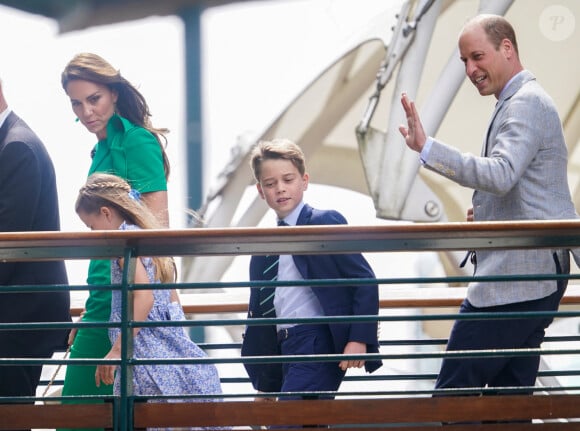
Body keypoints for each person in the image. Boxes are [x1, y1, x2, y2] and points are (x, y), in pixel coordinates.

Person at [398, 14, 576, 400]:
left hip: (516, 282)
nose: (470, 69)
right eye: (464, 61)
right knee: (508, 407)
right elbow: (529, 185)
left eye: (477, 56)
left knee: (451, 399)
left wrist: (427, 148)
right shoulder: (522, 100)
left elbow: (502, 173)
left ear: (507, 48)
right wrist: (490, 214)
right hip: (534, 277)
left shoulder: (525, 102)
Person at [60, 52, 171, 423]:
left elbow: (156, 228)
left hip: (128, 294)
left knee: (79, 412)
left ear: (114, 94)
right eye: (77, 103)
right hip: (100, 295)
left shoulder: (137, 142)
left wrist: (157, 301)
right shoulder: (99, 149)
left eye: (94, 99)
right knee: (87, 412)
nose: (86, 111)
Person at [75, 173, 226, 429]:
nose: (92, 235)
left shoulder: (124, 244)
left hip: (144, 352)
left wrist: (116, 350)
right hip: (165, 347)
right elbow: (170, 301)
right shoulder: (144, 236)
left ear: (106, 213)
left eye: (91, 226)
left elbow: (143, 296)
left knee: (133, 413)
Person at [241, 138, 382, 411]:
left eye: (288, 180)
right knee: (304, 420)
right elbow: (263, 309)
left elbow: (365, 281)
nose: (280, 189)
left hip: (316, 341)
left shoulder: (323, 222)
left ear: (304, 181)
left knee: (288, 420)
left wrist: (359, 338)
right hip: (282, 347)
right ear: (261, 191)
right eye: (270, 184)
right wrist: (266, 385)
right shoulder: (263, 247)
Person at [0, 78, 71, 400]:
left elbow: (7, 245)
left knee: (10, 416)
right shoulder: (12, 142)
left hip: (18, 318)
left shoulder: (16, 147)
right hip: (16, 313)